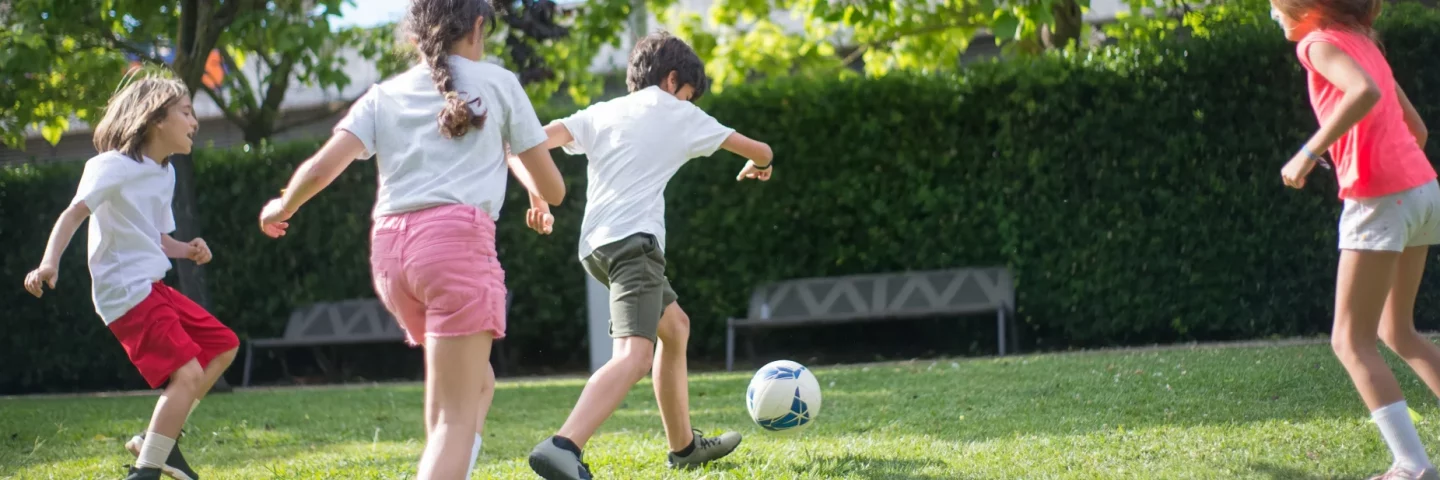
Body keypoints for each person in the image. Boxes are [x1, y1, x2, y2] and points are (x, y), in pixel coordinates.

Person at [256, 0, 565, 478]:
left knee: (475, 385)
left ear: (417, 36)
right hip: (455, 250)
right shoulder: (500, 83)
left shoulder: (385, 94)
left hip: (392, 256)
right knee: (452, 417)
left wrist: (283, 206)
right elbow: (556, 189)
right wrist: (542, 190)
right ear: (478, 26)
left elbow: (320, 168)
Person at [523, 31, 775, 480]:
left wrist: (538, 196)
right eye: (689, 94)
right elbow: (762, 150)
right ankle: (563, 445)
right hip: (634, 245)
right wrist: (759, 165)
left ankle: (684, 448)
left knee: (675, 327)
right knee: (634, 356)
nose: (689, 101)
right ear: (674, 79)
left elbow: (533, 142)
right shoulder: (680, 112)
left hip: (596, 247)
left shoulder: (603, 111)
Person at [23, 76, 236, 480]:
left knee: (222, 345)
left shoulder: (164, 173)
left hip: (151, 285)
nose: (195, 122)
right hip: (125, 290)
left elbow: (156, 238)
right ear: (156, 118)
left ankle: (160, 441)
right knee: (188, 373)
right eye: (187, 112)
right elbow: (73, 215)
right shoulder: (110, 166)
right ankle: (146, 470)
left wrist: (187, 248)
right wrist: (49, 263)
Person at [1271, 0, 1437, 478]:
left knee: (1350, 339)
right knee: (1398, 332)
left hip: (1380, 196)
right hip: (1423, 190)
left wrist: (1309, 153)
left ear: (1307, 8)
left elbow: (1361, 92)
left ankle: (1411, 464)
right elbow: (1418, 131)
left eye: (1277, 5)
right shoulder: (1365, 44)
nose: (1273, 12)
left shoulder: (1316, 43)